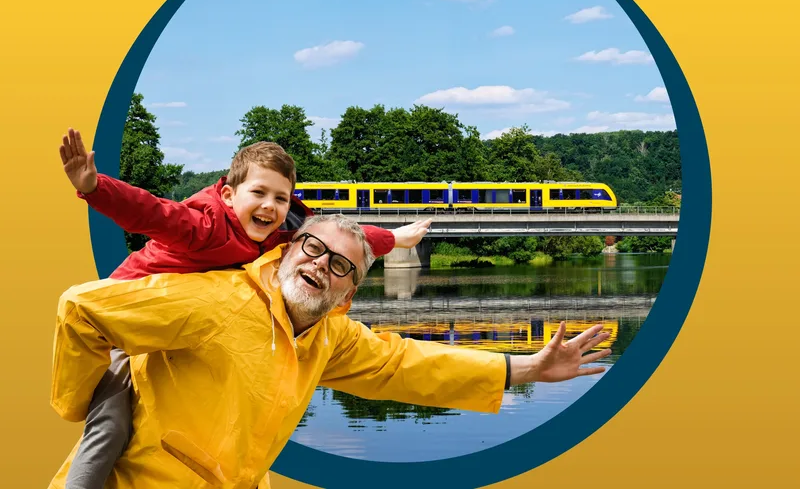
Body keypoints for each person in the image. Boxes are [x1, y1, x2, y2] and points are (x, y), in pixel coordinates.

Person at [49, 213, 611, 489]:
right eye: (313, 249)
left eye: (340, 265)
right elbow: (81, 309)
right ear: (287, 251)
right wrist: (82, 404)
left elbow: (408, 365)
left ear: (349, 294)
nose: (321, 264)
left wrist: (526, 367)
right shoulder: (216, 301)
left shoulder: (328, 337)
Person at [58, 129, 433, 489]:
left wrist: (395, 238)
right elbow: (151, 212)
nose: (270, 205)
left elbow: (339, 240)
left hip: (179, 334)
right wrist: (94, 188)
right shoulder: (202, 226)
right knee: (111, 423)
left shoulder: (277, 236)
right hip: (128, 326)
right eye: (259, 192)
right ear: (228, 194)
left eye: (281, 198)